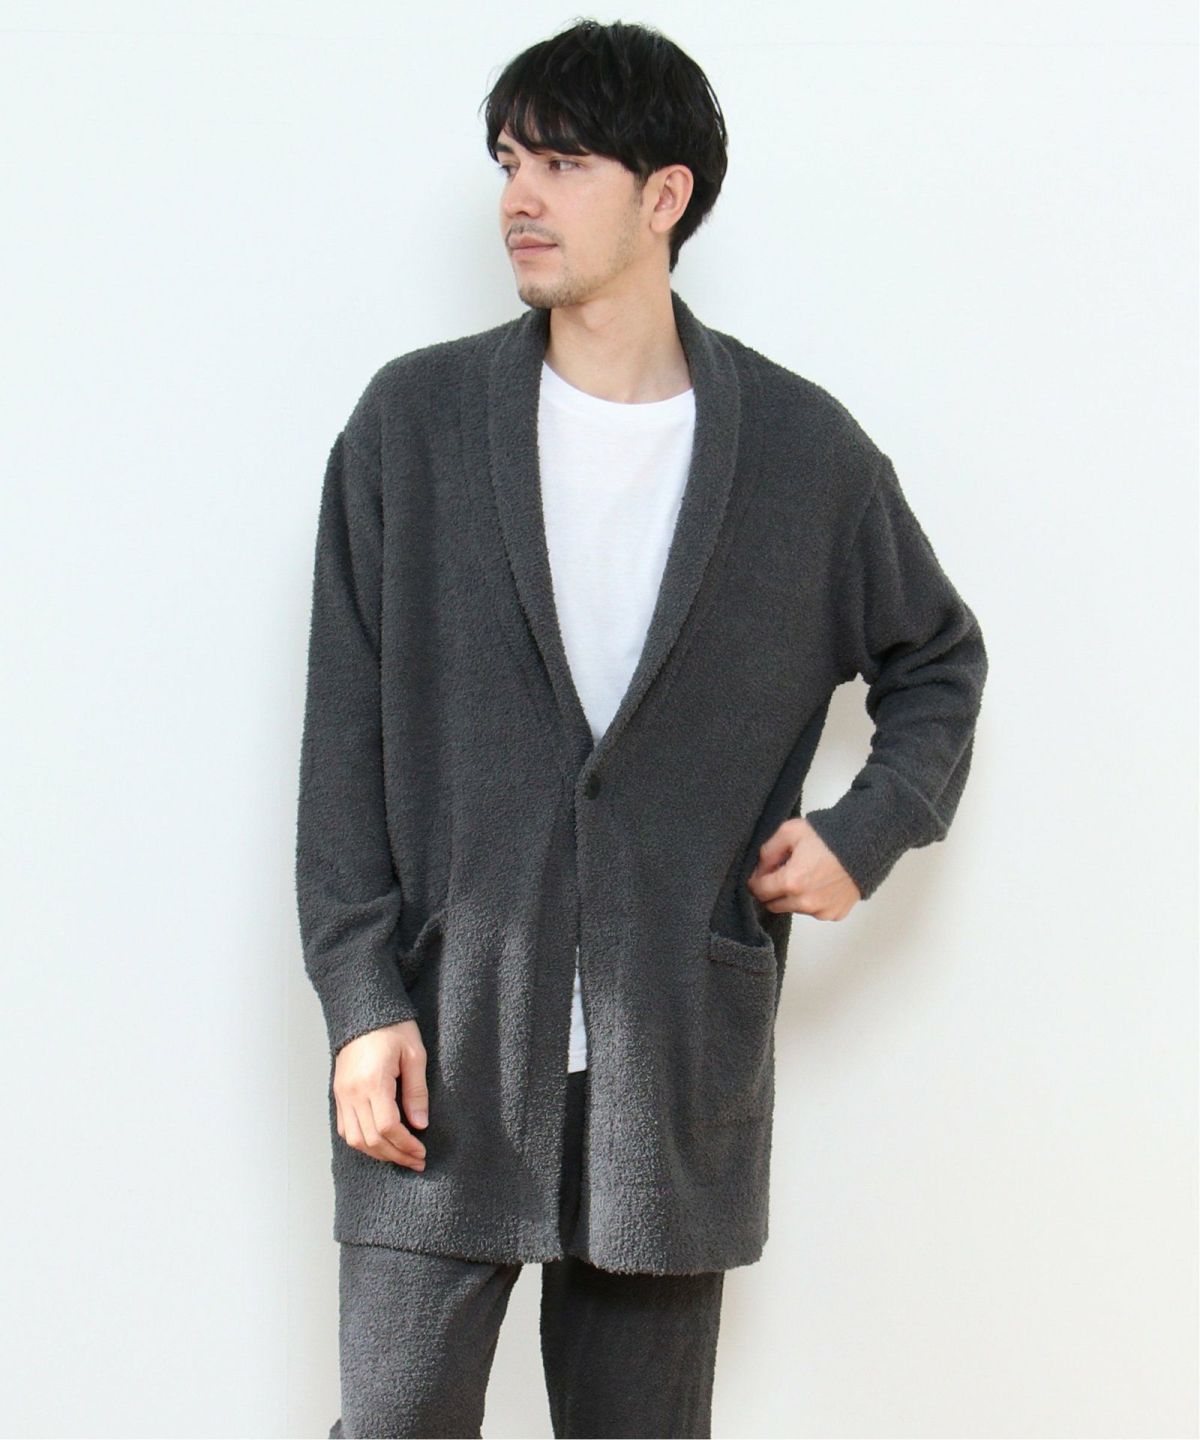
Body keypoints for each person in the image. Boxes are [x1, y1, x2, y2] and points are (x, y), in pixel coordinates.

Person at [295, 18, 988, 1439]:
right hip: (441, 1047)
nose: (520, 197)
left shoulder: (801, 455)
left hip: (668, 1058)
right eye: (509, 161)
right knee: (395, 1420)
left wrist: (865, 833)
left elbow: (939, 659)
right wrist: (361, 1001)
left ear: (665, 195)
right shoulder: (413, 428)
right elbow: (341, 742)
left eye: (563, 163)